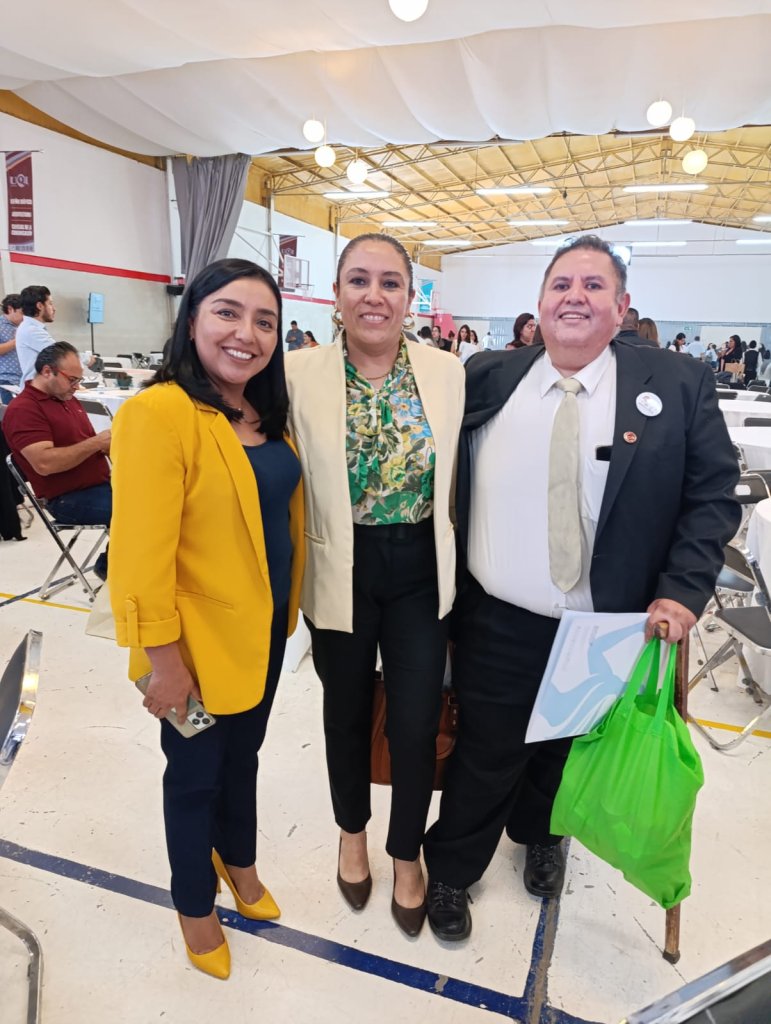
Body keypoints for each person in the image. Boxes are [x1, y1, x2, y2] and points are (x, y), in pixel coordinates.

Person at [423, 234, 740, 941]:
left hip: (610, 623)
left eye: (593, 287)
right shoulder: (487, 376)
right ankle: (449, 869)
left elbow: (712, 494)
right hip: (498, 613)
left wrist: (684, 590)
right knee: (487, 746)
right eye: (560, 284)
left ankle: (542, 834)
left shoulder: (674, 384)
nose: (575, 296)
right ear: (537, 304)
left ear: (621, 307)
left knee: (567, 741)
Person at [108, 258, 305, 979]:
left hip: (262, 635)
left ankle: (238, 861)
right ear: (191, 318)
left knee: (243, 761)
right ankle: (194, 903)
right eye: (226, 312)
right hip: (188, 650)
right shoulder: (159, 413)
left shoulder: (262, 412)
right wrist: (164, 664)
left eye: (263, 321)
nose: (245, 334)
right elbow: (137, 557)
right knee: (192, 779)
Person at [285, 233, 465, 937]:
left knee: (418, 719)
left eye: (390, 282)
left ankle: (406, 851)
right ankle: (352, 834)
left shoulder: (446, 371)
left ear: (408, 297)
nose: (373, 295)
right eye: (357, 280)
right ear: (334, 296)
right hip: (341, 567)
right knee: (347, 711)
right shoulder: (298, 372)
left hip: (421, 565)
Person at [2, 341, 111, 579]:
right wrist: (97, 443)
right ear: (47, 371)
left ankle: (121, 565)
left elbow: (87, 444)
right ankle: (111, 568)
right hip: (67, 499)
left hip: (98, 486)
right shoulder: (24, 409)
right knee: (139, 511)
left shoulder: (66, 397)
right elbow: (45, 464)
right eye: (72, 379)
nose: (76, 386)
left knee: (161, 498)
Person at [16, 285, 57, 383]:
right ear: (40, 306)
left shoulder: (31, 327)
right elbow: (60, 354)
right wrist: (88, 360)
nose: (54, 309)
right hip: (36, 390)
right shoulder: (31, 330)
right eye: (50, 304)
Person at [0, 294, 23, 403]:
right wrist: (15, 341)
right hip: (6, 381)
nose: (24, 317)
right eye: (22, 312)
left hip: (24, 380)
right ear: (10, 309)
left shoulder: (23, 326)